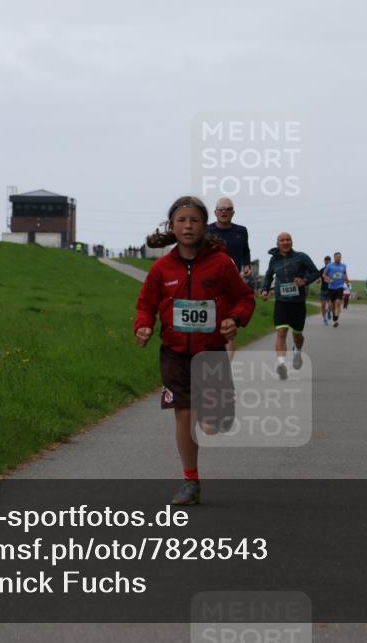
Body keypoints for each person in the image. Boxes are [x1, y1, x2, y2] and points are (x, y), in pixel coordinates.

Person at [135, 196, 255, 506]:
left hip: (210, 351)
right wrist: (143, 326)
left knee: (211, 426)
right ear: (172, 226)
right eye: (182, 220)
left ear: (205, 226)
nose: (188, 226)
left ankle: (218, 406)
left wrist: (234, 319)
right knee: (184, 413)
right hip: (174, 353)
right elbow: (146, 304)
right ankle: (190, 482)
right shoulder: (162, 268)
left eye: (194, 220)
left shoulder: (221, 263)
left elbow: (245, 298)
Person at [260, 233, 322, 380]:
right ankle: (281, 364)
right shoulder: (274, 259)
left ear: (292, 242)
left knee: (297, 335)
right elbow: (268, 276)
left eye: (288, 240)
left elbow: (315, 272)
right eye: (282, 240)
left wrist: (304, 280)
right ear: (278, 243)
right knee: (281, 332)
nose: (285, 242)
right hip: (281, 301)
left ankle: (297, 351)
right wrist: (264, 289)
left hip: (298, 302)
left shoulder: (301, 257)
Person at [207, 197, 252, 356]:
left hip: (233, 282)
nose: (224, 212)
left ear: (233, 212)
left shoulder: (241, 231)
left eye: (228, 209)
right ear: (215, 212)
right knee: (211, 325)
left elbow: (246, 251)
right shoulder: (207, 231)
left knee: (229, 325)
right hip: (211, 283)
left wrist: (247, 265)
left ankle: (227, 365)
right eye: (221, 209)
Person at [324, 251, 349, 327]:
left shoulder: (343, 266)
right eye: (337, 257)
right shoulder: (329, 265)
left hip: (340, 287)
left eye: (340, 257)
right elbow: (324, 274)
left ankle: (336, 319)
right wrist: (329, 279)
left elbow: (344, 274)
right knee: (332, 305)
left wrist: (347, 280)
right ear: (334, 258)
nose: (338, 258)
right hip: (331, 287)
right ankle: (333, 315)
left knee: (338, 302)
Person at [317, 255, 332, 325]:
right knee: (323, 305)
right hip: (323, 289)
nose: (327, 262)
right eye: (326, 261)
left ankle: (329, 311)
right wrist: (318, 281)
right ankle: (324, 319)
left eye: (328, 261)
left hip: (331, 289)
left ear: (330, 261)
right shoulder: (321, 270)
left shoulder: (332, 269)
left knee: (330, 305)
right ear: (324, 262)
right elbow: (319, 278)